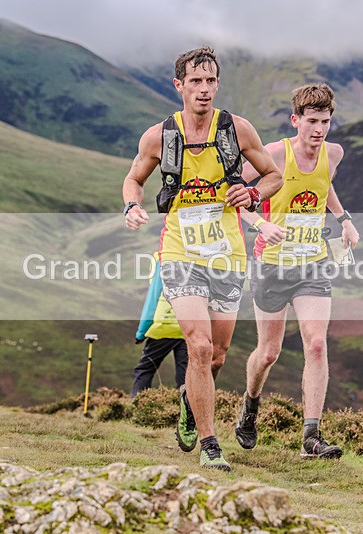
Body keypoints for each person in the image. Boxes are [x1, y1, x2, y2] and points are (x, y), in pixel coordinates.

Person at [122, 47, 282, 471]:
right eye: (196, 81)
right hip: (179, 252)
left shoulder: (237, 129)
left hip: (227, 254)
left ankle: (190, 403)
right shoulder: (159, 136)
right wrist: (130, 206)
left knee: (217, 356)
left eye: (211, 81)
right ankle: (211, 446)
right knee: (198, 344)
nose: (205, 90)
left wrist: (250, 193)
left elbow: (273, 176)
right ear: (179, 86)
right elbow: (134, 178)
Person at [236, 83, 360, 459]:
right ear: (296, 120)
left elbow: (324, 188)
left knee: (317, 343)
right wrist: (259, 223)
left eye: (325, 121)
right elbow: (232, 193)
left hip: (313, 263)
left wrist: (344, 219)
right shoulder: (275, 153)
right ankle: (250, 406)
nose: (319, 130)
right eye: (311, 121)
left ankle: (311, 437)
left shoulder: (333, 154)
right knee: (269, 352)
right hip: (271, 264)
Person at [131, 260, 188, 397]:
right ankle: (185, 411)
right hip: (187, 327)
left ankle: (138, 405)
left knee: (145, 369)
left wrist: (141, 332)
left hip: (163, 326)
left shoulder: (161, 259)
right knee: (185, 375)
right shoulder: (194, 258)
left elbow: (153, 297)